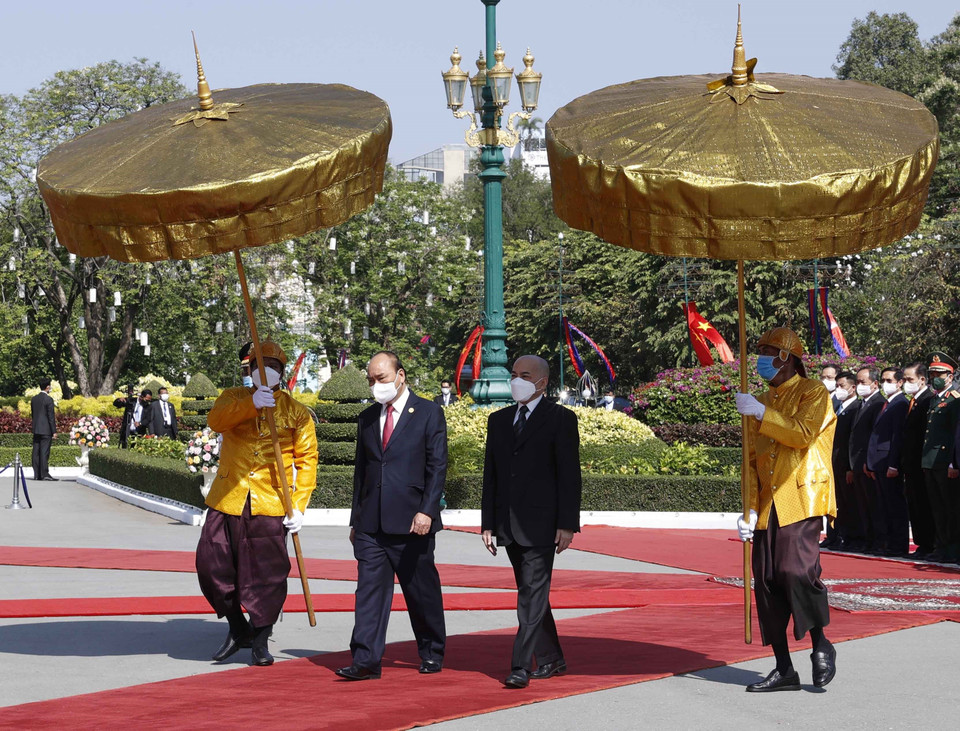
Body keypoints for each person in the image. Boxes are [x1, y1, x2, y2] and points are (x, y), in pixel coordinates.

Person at [195, 341, 318, 666]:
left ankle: (261, 639)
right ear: (250, 371)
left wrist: (300, 506)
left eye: (273, 368)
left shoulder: (296, 412)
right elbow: (216, 421)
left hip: (271, 503)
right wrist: (251, 403)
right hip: (228, 498)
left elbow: (307, 461)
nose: (266, 373)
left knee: (267, 575)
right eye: (259, 367)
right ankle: (238, 628)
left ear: (281, 373)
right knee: (211, 565)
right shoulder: (233, 398)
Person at [735, 327, 837, 692]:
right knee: (765, 580)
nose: (761, 358)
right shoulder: (757, 399)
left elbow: (802, 434)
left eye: (768, 351)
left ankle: (820, 643)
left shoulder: (813, 392)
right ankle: (783, 667)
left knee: (796, 571)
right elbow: (750, 461)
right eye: (760, 350)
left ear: (788, 357)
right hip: (766, 503)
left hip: (802, 495)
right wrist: (747, 510)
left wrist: (762, 411)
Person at [338, 351, 447, 681]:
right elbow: (363, 472)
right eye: (371, 379)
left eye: (381, 378)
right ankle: (366, 659)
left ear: (400, 376)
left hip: (414, 521)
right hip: (372, 523)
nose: (376, 385)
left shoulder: (428, 412)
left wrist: (427, 510)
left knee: (420, 591)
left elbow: (437, 466)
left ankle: (431, 650)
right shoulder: (368, 417)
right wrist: (356, 520)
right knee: (369, 592)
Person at [481, 355, 582, 689]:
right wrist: (488, 523)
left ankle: (520, 666)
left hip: (543, 524)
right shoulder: (499, 421)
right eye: (513, 374)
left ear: (542, 382)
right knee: (533, 593)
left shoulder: (561, 419)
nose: (516, 381)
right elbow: (491, 477)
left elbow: (570, 476)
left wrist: (567, 523)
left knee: (529, 596)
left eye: (524, 375)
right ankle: (552, 658)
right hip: (507, 524)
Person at [866, 367, 909, 556]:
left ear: (900, 383)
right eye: (883, 380)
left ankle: (898, 545)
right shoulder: (887, 403)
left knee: (894, 506)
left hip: (888, 462)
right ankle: (887, 542)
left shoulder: (900, 403)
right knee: (883, 506)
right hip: (878, 462)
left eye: (889, 380)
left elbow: (897, 436)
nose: (885, 384)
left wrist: (893, 464)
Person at [921, 356, 960, 563]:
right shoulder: (935, 399)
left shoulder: (955, 399)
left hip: (946, 462)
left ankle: (953, 548)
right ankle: (942, 546)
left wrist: (954, 462)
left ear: (950, 376)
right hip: (931, 460)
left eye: (939, 374)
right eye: (932, 374)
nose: (934, 377)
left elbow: (956, 434)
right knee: (936, 507)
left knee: (950, 507)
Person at [846, 367, 884, 553]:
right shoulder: (863, 403)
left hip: (868, 463)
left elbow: (873, 436)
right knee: (862, 506)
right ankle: (867, 540)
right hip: (857, 462)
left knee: (874, 505)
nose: (860, 386)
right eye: (858, 382)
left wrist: (868, 461)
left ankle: (877, 541)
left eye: (863, 382)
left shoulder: (879, 403)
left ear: (875, 384)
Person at [901, 362, 936, 558]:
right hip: (911, 464)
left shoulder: (927, 400)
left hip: (921, 464)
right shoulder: (913, 401)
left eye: (910, 380)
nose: (906, 383)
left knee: (924, 506)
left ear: (922, 379)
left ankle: (929, 544)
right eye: (905, 380)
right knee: (915, 505)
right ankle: (922, 544)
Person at [821, 371, 859, 550]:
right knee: (835, 503)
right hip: (833, 464)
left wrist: (850, 467)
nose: (838, 389)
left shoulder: (855, 407)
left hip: (845, 465)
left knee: (847, 504)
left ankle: (848, 537)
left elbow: (852, 440)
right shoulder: (838, 406)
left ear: (853, 388)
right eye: (837, 386)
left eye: (841, 386)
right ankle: (834, 536)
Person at [30, 378, 57, 481]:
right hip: (46, 430)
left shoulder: (34, 399)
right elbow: (51, 417)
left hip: (36, 428)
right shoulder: (48, 399)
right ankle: (44, 473)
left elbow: (33, 414)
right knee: (44, 452)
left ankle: (37, 474)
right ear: (47, 387)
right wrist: (54, 431)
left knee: (36, 452)